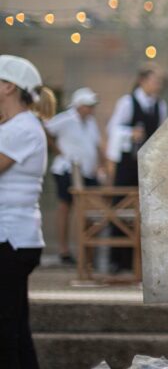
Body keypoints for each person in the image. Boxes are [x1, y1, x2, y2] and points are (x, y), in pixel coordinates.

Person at [0, 55, 57, 369]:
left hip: (10, 239)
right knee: (14, 330)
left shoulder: (19, 127)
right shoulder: (21, 125)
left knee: (5, 334)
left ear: (7, 86)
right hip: (16, 239)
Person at [105, 66, 167, 272]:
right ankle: (117, 260)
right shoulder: (127, 102)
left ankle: (141, 262)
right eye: (154, 80)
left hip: (148, 166)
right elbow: (113, 128)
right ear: (142, 81)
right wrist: (130, 134)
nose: (157, 84)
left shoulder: (160, 105)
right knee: (121, 207)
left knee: (146, 211)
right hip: (127, 164)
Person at [45, 87, 105, 265]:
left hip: (87, 171)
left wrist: (100, 165)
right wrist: (57, 151)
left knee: (91, 210)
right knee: (65, 207)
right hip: (67, 169)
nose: (92, 109)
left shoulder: (91, 122)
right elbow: (45, 130)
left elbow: (96, 146)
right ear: (79, 105)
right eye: (88, 105)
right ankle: (64, 250)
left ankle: (88, 252)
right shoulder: (66, 119)